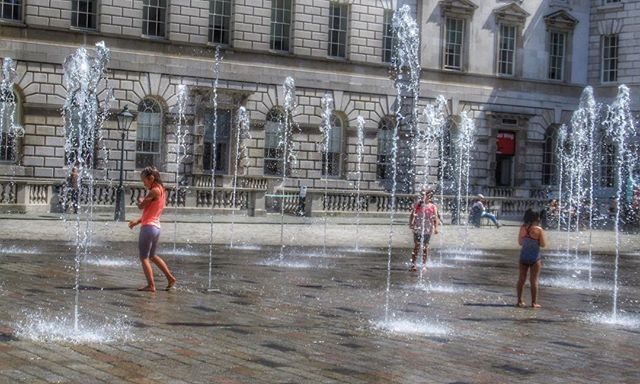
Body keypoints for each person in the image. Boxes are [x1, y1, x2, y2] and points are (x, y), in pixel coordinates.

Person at [128, 166, 177, 292]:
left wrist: (140, 201)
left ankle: (151, 285)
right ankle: (170, 278)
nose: (144, 184)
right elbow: (150, 212)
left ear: (151, 178)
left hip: (148, 228)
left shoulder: (154, 191)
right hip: (156, 227)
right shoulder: (162, 190)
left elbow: (141, 206)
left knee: (144, 257)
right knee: (152, 256)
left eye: (144, 181)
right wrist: (137, 222)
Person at [516, 209, 546, 308]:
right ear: (536, 218)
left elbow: (520, 242)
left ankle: (519, 301)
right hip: (535, 257)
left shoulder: (522, 227)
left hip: (523, 256)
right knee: (534, 280)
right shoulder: (539, 229)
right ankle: (534, 303)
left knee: (521, 279)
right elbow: (543, 244)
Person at [409, 188, 439, 272]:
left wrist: (436, 228)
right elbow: (412, 215)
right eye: (423, 195)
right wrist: (411, 224)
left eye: (426, 195)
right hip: (418, 228)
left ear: (429, 197)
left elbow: (435, 218)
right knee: (417, 246)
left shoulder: (433, 207)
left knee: (425, 247)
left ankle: (424, 265)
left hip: (427, 229)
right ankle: (413, 264)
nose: (424, 196)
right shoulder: (418, 204)